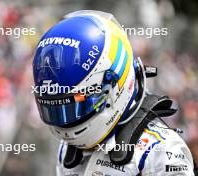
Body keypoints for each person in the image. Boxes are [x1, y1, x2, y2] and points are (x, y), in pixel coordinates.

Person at [32, 10, 197, 176]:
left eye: (77, 104)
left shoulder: (161, 150)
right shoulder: (68, 150)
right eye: (56, 110)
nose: (65, 121)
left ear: (113, 87)